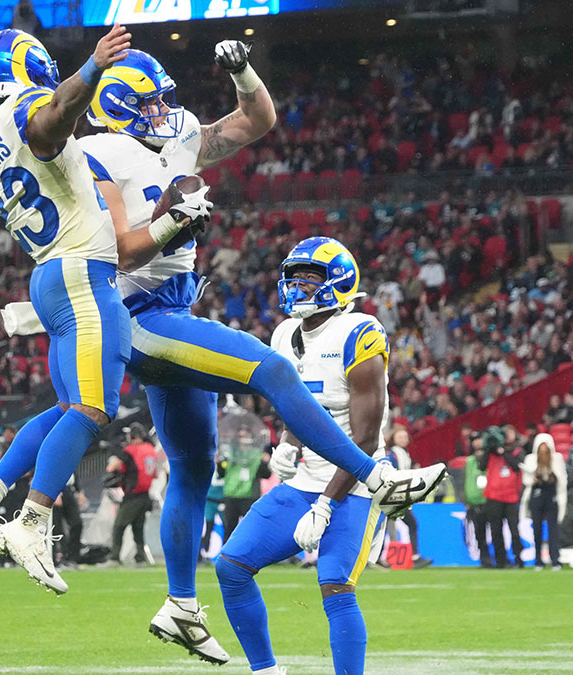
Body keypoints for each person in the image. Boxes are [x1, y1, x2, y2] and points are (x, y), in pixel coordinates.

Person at [72, 51, 441, 658]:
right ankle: (379, 479)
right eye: (149, 103)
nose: (164, 111)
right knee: (269, 367)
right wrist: (172, 221)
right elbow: (121, 254)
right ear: (116, 110)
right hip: (135, 314)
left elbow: (255, 121)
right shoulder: (102, 153)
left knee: (194, 467)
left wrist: (243, 73)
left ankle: (181, 605)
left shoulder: (178, 136)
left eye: (165, 98)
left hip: (173, 312)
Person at [0, 26, 158, 594]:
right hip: (83, 271)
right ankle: (32, 520)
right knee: (95, 409)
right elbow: (54, 116)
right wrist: (94, 68)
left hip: (49, 278)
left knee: (67, 408)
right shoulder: (30, 110)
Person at [217, 236, 442, 675]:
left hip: (356, 485)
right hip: (303, 482)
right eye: (293, 278)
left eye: (309, 278)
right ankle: (266, 670)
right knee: (231, 567)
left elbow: (366, 438)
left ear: (338, 281)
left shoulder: (359, 332)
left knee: (335, 585)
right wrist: (288, 442)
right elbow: (296, 406)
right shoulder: (284, 333)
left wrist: (324, 507)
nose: (297, 287)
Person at [106, 423, 159, 565]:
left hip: (133, 495)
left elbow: (113, 467)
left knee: (118, 527)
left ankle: (114, 557)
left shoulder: (131, 450)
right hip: (145, 495)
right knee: (138, 528)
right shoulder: (150, 449)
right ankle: (140, 557)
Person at [383, 428, 431, 568]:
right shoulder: (393, 456)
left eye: (405, 436)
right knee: (388, 526)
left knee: (386, 526)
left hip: (399, 495)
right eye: (400, 436)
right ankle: (414, 557)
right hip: (395, 495)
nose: (404, 439)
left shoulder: (403, 455)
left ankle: (376, 558)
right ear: (394, 439)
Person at [216, 424, 271, 544]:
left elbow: (266, 475)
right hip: (231, 496)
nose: (244, 439)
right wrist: (220, 462)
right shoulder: (229, 454)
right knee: (229, 528)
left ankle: (250, 557)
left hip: (250, 496)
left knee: (251, 529)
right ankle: (226, 557)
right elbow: (221, 473)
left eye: (246, 436)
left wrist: (264, 463)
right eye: (241, 436)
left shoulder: (258, 455)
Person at [520, 432, 566, 570]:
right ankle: (538, 560)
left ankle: (555, 560)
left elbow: (562, 478)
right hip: (536, 496)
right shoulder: (530, 459)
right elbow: (525, 479)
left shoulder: (557, 459)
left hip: (551, 497)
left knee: (553, 530)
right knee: (537, 530)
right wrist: (532, 479)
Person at [480, 426, 523, 568]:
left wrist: (503, 452)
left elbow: (516, 466)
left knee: (514, 530)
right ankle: (501, 560)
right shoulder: (490, 453)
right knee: (496, 530)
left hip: (511, 496)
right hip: (493, 497)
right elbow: (481, 466)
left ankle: (518, 558)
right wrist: (488, 449)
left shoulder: (516, 451)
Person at [463, 435, 491, 567]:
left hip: (490, 500)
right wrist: (466, 499)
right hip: (474, 501)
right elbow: (467, 481)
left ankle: (498, 557)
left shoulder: (490, 459)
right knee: (479, 532)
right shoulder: (470, 461)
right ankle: (484, 558)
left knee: (495, 530)